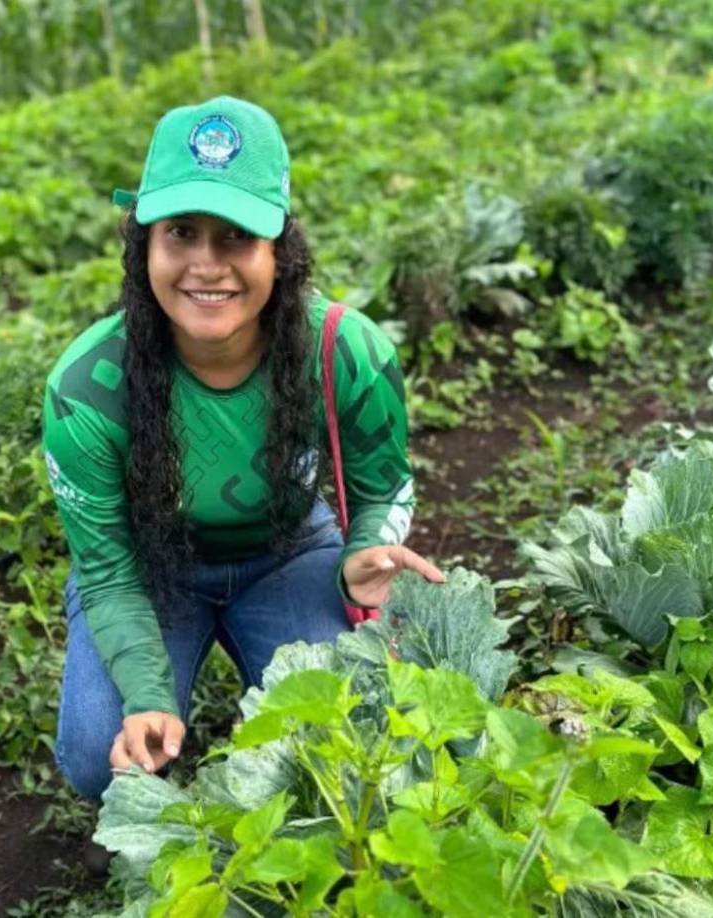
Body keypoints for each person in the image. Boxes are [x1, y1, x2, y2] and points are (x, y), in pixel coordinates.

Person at [42, 95, 444, 805]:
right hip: (151, 568)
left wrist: (365, 548)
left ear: (279, 251)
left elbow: (383, 486)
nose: (206, 265)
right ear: (143, 246)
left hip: (289, 552)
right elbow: (106, 569)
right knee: (99, 757)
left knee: (353, 740)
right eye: (181, 233)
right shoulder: (86, 389)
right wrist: (144, 697)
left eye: (236, 237)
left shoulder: (347, 352)